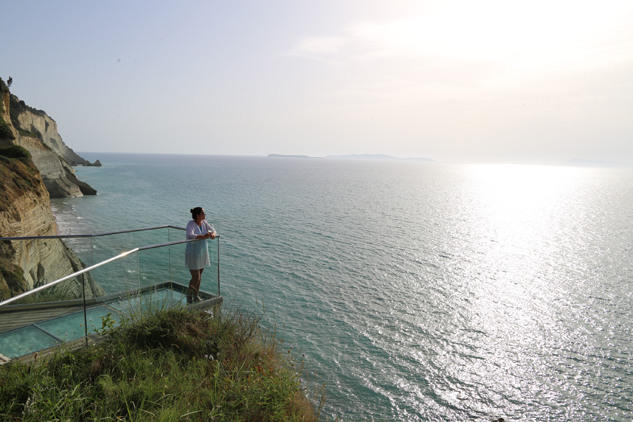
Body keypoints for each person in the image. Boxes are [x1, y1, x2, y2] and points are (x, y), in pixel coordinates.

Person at [185, 207, 216, 303]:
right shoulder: (191, 223)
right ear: (198, 215)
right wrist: (205, 236)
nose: (205, 214)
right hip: (193, 253)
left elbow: (213, 230)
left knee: (199, 277)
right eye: (203, 213)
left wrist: (213, 234)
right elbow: (190, 234)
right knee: (196, 277)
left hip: (202, 253)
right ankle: (189, 295)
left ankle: (195, 295)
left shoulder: (204, 223)